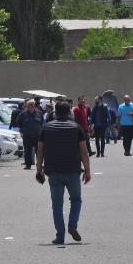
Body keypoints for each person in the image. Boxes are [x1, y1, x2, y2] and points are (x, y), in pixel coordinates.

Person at [36, 101, 91, 245]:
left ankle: (60, 236)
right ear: (69, 113)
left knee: (57, 205)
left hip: (53, 172)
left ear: (55, 112)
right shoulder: (76, 128)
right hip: (73, 170)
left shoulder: (46, 128)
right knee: (76, 200)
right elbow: (84, 152)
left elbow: (40, 150)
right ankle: (72, 225)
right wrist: (88, 171)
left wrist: (38, 170)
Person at [16, 100, 44, 170]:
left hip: (37, 136)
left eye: (33, 105)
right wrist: (22, 131)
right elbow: (18, 123)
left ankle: (39, 164)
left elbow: (42, 123)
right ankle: (28, 165)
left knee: (39, 151)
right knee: (27, 151)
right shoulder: (23, 114)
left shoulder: (39, 113)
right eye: (30, 105)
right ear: (27, 106)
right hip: (27, 136)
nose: (32, 106)